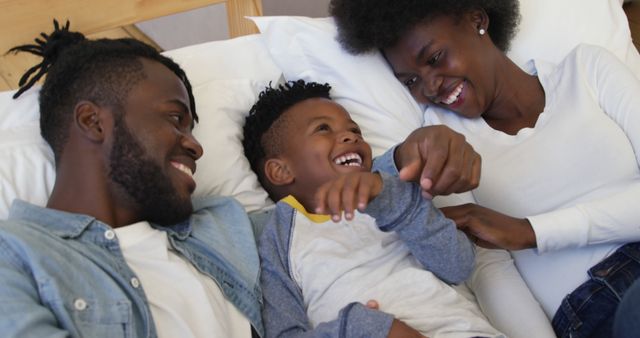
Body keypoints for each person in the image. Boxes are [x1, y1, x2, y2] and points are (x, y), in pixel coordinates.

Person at [329, 0, 640, 338]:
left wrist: (531, 231)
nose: (430, 87)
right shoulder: (445, 144)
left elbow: (521, 234)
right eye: (411, 81)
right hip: (593, 312)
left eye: (434, 59)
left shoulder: (587, 69)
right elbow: (490, 272)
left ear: (477, 20)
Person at [0, 21, 264, 337]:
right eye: (175, 119)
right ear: (93, 122)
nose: (196, 145)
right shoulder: (15, 253)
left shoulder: (226, 224)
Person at [242, 79, 504, 338]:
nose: (350, 137)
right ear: (280, 171)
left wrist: (389, 199)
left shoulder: (391, 191)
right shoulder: (275, 240)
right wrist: (359, 328)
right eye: (323, 129)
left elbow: (458, 265)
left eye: (355, 130)